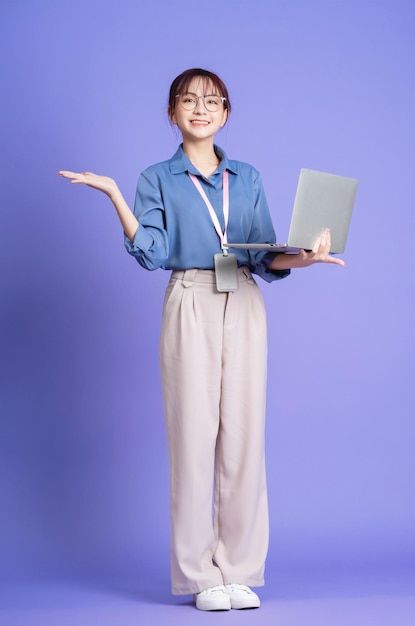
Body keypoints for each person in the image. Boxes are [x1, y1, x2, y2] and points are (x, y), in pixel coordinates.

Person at [58, 67, 345, 611]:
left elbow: (263, 257)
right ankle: (199, 575)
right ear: (172, 113)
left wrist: (305, 258)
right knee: (193, 437)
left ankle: (237, 569)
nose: (201, 108)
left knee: (243, 436)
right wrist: (115, 196)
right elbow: (152, 251)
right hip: (191, 296)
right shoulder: (156, 178)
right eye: (188, 100)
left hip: (244, 299)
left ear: (226, 113)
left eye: (213, 100)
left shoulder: (249, 177)